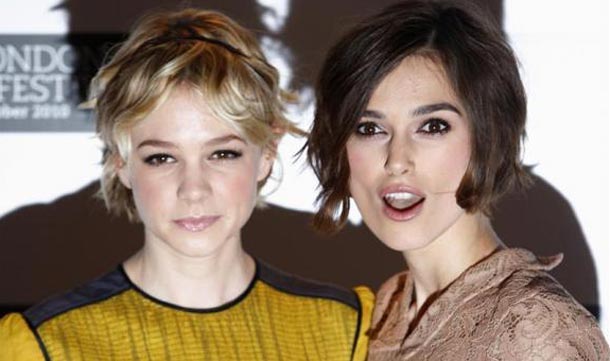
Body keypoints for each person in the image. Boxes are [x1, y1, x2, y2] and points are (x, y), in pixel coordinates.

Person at [0, 8, 372, 360]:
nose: (193, 189)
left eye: (222, 154)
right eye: (161, 158)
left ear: (267, 154)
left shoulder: (346, 329)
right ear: (121, 164)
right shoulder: (46, 344)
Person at [306, 0, 609, 359]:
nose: (397, 160)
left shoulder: (537, 335)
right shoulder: (388, 310)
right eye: (370, 128)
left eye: (433, 127)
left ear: (488, 137)